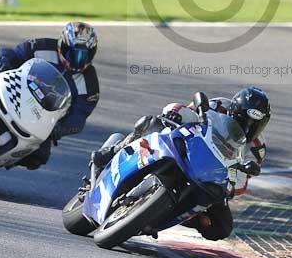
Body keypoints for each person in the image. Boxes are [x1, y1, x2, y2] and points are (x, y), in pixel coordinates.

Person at [92, 86, 270, 241]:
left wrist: (232, 186)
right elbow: (189, 110)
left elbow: (244, 178)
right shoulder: (219, 105)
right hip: (192, 147)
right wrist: (174, 113)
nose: (248, 128)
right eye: (244, 120)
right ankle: (114, 150)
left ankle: (177, 215)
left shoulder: (257, 147)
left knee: (222, 227)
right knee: (152, 123)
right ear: (233, 110)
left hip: (212, 173)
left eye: (255, 125)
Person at [0, 21, 99, 171]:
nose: (77, 60)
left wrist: (60, 129)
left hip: (41, 117)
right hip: (14, 89)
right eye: (72, 52)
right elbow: (13, 53)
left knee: (38, 157)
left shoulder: (90, 86)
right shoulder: (42, 46)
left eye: (84, 56)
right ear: (63, 45)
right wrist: (2, 59)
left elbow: (79, 117)